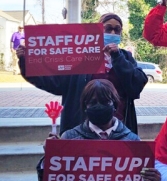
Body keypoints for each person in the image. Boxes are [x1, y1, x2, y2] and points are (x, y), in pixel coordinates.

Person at [37, 79, 161, 181]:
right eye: (93, 102)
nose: (99, 105)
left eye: (105, 101)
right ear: (85, 107)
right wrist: (50, 159)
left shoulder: (133, 143)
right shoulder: (69, 139)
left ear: (115, 105)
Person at [17, 13, 148, 135]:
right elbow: (54, 83)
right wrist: (26, 61)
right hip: (81, 129)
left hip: (118, 129)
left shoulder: (125, 57)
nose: (113, 32)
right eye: (108, 29)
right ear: (98, 31)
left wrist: (117, 58)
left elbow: (137, 84)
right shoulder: (79, 57)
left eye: (117, 29)